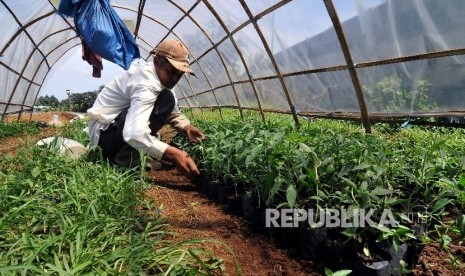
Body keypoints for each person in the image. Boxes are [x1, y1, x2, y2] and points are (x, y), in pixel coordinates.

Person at [87, 39, 205, 179]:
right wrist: (175, 154)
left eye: (179, 74)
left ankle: (131, 154)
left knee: (167, 98)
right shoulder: (146, 82)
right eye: (171, 71)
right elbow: (134, 134)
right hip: (104, 137)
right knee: (165, 99)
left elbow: (172, 111)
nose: (175, 78)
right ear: (156, 62)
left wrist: (186, 127)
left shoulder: (160, 79)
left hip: (112, 132)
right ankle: (123, 160)